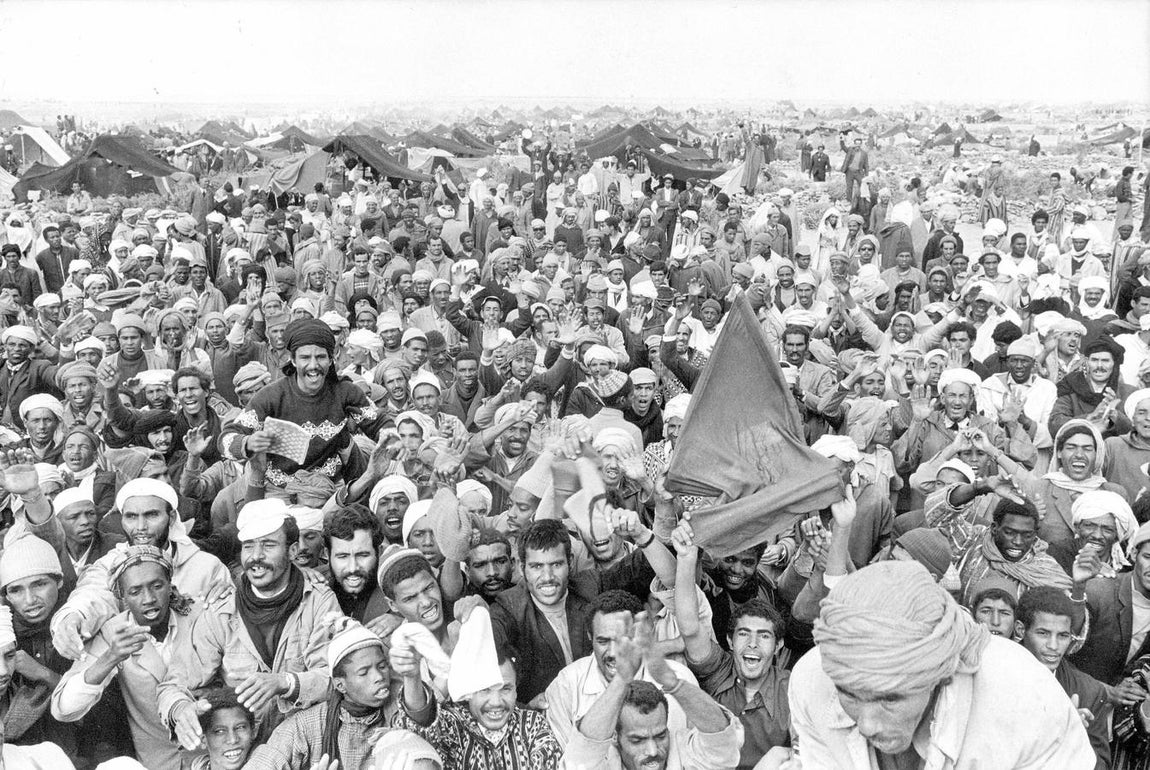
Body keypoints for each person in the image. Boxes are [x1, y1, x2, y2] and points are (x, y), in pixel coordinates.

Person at [784, 560, 1094, 767]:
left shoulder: (1025, 697)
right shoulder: (814, 680)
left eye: (890, 697)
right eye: (849, 695)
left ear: (943, 674)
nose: (867, 724)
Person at [560, 609, 744, 770]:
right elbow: (580, 757)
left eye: (660, 736)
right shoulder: (605, 763)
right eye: (637, 740)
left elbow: (721, 741)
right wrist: (622, 680)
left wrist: (672, 682)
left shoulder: (684, 756)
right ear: (616, 738)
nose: (653, 751)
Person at [1015, 586, 1112, 768]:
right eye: (1043, 633)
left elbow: (1100, 766)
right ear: (1020, 630)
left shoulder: (1089, 692)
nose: (1054, 646)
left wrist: (1074, 739)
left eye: (1063, 636)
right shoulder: (998, 677)